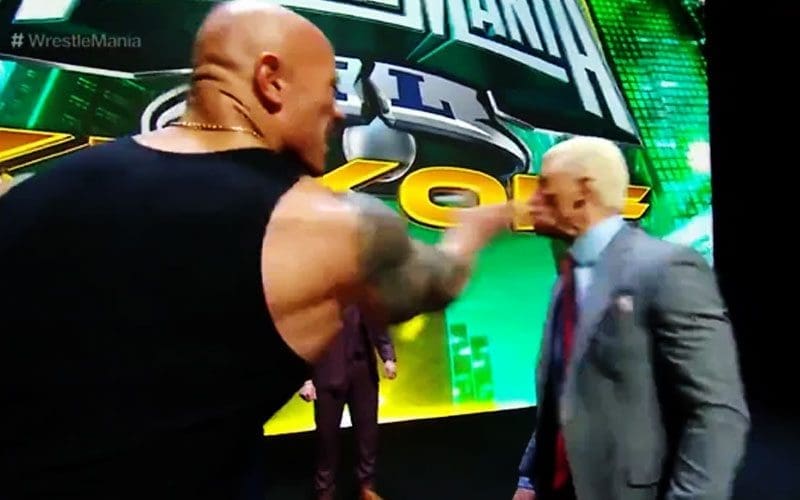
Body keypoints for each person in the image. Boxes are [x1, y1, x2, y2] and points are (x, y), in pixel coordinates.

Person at [0, 1, 514, 499]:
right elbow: (437, 278)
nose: (337, 111)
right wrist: (476, 227)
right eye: (330, 89)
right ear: (271, 80)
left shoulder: (35, 194)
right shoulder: (331, 225)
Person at [511, 136, 749, 500]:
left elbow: (716, 412)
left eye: (545, 185)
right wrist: (530, 479)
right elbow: (565, 391)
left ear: (582, 193)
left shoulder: (667, 268)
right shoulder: (567, 279)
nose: (533, 199)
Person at [299, 305, 396, 500]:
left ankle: (367, 486)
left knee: (367, 432)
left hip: (363, 370)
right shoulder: (317, 294)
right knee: (327, 438)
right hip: (327, 373)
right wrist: (305, 379)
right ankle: (325, 490)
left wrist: (387, 356)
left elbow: (375, 319)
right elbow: (304, 335)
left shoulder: (360, 291)